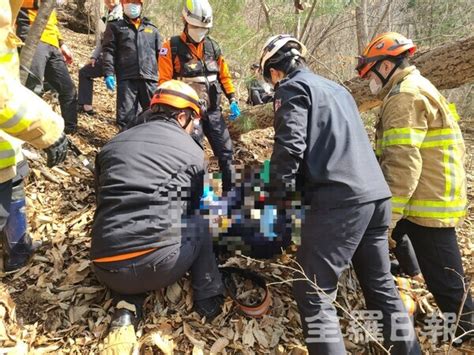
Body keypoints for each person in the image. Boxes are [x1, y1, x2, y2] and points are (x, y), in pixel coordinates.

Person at [259, 34, 421, 354]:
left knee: (313, 292)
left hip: (340, 202)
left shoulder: (292, 89)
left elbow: (289, 149)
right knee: (380, 286)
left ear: (274, 72)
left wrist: (275, 204)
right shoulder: (338, 89)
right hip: (375, 197)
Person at [357, 32, 473, 344]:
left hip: (426, 202)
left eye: (370, 72)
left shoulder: (404, 97)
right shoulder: (413, 87)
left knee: (447, 282)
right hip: (425, 197)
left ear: (384, 66)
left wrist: (387, 218)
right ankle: (415, 281)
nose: (369, 80)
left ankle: (466, 330)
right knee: (421, 259)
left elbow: (403, 164)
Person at [91, 80, 224, 352]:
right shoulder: (194, 153)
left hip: (104, 264)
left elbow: (101, 197)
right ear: (182, 116)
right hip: (161, 266)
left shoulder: (113, 144)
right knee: (203, 216)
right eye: (193, 121)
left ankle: (127, 303)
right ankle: (207, 295)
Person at [1, 0, 68, 272]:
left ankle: (19, 246)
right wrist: (48, 131)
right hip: (11, 118)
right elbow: (3, 98)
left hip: (7, 138)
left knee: (14, 179)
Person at [158, 0, 240, 193]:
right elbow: (164, 82)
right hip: (188, 113)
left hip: (213, 111)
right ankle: (197, 197)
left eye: (204, 28)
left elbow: (224, 75)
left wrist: (233, 98)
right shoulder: (171, 47)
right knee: (194, 155)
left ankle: (232, 195)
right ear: (185, 21)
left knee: (226, 152)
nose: (200, 31)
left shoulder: (213, 47)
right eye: (196, 26)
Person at [16, 0, 78, 134]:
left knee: (68, 88)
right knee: (32, 88)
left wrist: (61, 44)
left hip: (52, 44)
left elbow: (51, 22)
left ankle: (69, 130)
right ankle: (28, 131)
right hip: (32, 38)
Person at [102, 0, 161, 129]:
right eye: (129, 2)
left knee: (153, 115)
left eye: (136, 2)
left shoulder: (152, 29)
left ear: (141, 5)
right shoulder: (115, 27)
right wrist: (108, 73)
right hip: (127, 78)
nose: (132, 5)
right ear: (123, 5)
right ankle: (124, 143)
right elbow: (108, 51)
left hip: (150, 79)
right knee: (125, 117)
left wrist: (164, 79)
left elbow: (161, 56)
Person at [77, 0, 122, 115]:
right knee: (85, 72)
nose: (110, 1)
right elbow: (102, 41)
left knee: (125, 86)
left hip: (122, 58)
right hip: (107, 58)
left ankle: (123, 118)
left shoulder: (124, 15)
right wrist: (94, 56)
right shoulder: (105, 18)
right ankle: (86, 105)